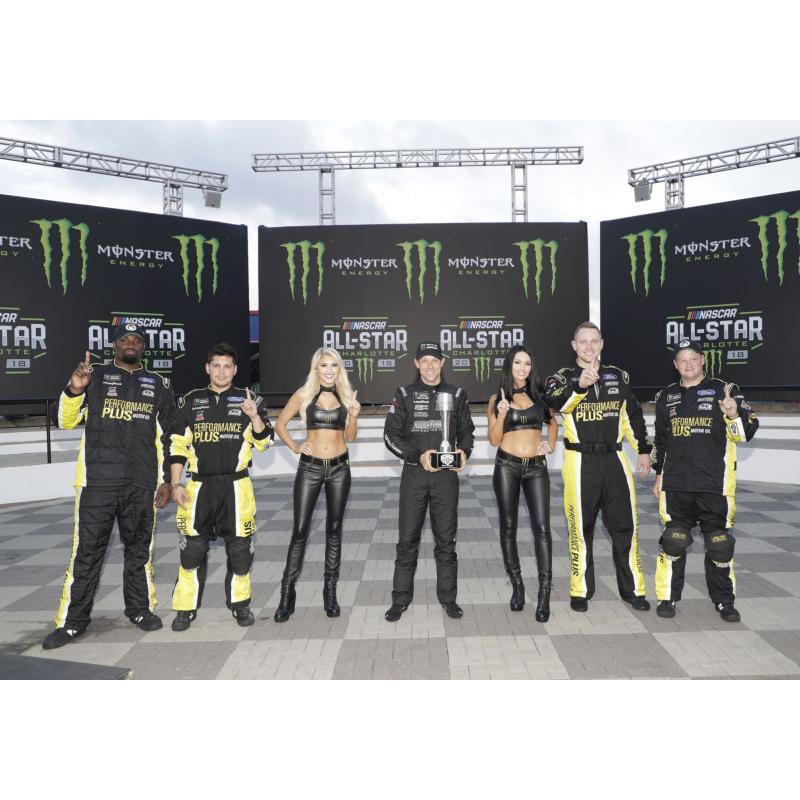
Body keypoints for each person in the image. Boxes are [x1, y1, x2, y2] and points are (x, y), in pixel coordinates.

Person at [43, 322, 175, 649]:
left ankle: (140, 610)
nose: (130, 343)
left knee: (140, 552)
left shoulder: (159, 384)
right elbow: (63, 420)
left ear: (144, 348)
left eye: (137, 339)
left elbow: (171, 437)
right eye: (124, 339)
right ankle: (72, 622)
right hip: (97, 484)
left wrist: (167, 481)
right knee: (86, 554)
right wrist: (74, 389)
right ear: (114, 346)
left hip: (141, 485)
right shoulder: (95, 376)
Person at [544, 321, 652, 613]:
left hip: (615, 460)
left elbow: (633, 415)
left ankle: (634, 590)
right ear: (574, 345)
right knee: (580, 528)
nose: (589, 346)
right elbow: (555, 404)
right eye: (583, 341)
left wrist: (643, 450)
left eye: (594, 341)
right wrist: (581, 385)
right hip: (579, 461)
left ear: (602, 344)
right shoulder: (560, 378)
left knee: (626, 526)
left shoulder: (618, 375)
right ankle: (580, 591)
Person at [651, 339, 759, 621]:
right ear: (675, 364)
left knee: (720, 545)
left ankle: (724, 601)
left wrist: (733, 413)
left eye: (693, 359)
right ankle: (667, 598)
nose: (688, 364)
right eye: (682, 360)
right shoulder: (666, 396)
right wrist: (659, 474)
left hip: (715, 485)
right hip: (675, 485)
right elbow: (661, 440)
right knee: (673, 542)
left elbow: (744, 434)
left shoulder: (725, 390)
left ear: (702, 361)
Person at [169, 343, 274, 631]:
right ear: (207, 368)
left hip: (237, 488)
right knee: (192, 551)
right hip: (198, 488)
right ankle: (185, 608)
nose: (222, 371)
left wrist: (253, 415)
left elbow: (265, 444)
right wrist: (175, 483)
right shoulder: (191, 401)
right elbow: (177, 446)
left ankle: (240, 606)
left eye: (227, 366)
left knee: (240, 552)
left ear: (236, 370)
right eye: (216, 365)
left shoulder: (249, 399)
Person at [383, 341, 475, 622]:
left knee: (446, 541)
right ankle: (400, 600)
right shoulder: (404, 394)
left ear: (442, 362)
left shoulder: (457, 394)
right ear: (416, 363)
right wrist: (417, 455)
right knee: (407, 540)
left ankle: (448, 599)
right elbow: (390, 435)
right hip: (414, 475)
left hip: (446, 478)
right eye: (424, 361)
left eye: (435, 360)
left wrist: (464, 452)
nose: (430, 366)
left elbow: (467, 432)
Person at [273, 347, 360, 622]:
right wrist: (296, 446)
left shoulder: (347, 396)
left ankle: (330, 593)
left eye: (334, 365)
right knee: (300, 531)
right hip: (309, 469)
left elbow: (351, 437)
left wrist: (354, 416)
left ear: (340, 369)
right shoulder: (304, 395)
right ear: (316, 369)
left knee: (334, 530)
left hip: (339, 470)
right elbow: (280, 425)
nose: (330, 370)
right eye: (324, 365)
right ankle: (287, 595)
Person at [487, 345, 558, 621]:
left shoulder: (541, 396)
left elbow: (553, 423)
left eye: (527, 363)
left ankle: (544, 594)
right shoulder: (497, 399)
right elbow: (493, 440)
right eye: (518, 363)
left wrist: (550, 445)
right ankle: (517, 585)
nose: (522, 368)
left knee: (543, 530)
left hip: (537, 469)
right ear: (509, 365)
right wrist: (503, 413)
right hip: (507, 467)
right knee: (508, 528)